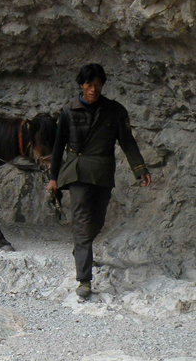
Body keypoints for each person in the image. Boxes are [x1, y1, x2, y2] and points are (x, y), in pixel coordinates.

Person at [46, 63, 152, 299]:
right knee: (82, 223)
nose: (93, 89)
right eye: (89, 84)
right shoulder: (68, 111)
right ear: (81, 85)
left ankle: (81, 249)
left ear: (102, 86)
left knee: (97, 221)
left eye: (98, 85)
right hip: (77, 173)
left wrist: (139, 168)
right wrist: (53, 178)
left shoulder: (114, 110)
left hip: (103, 173)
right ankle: (84, 279)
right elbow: (57, 148)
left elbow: (127, 142)